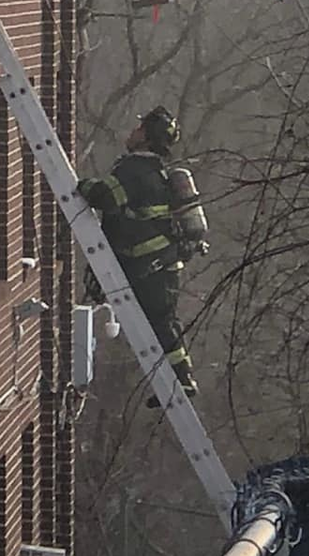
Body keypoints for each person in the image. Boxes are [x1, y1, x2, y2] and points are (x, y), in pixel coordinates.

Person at [80, 106, 207, 401]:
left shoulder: (135, 169)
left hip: (149, 265)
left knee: (161, 322)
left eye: (139, 129)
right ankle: (180, 378)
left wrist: (82, 186)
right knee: (163, 322)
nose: (132, 131)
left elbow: (106, 196)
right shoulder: (153, 171)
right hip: (161, 263)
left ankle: (181, 381)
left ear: (147, 138)